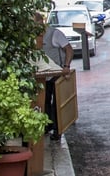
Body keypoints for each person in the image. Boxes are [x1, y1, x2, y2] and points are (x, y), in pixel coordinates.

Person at [39, 12, 74, 140]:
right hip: (43, 75)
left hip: (57, 73)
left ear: (40, 22)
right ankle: (47, 126)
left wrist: (66, 67)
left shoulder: (54, 33)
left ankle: (58, 130)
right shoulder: (33, 37)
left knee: (57, 103)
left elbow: (69, 49)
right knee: (44, 101)